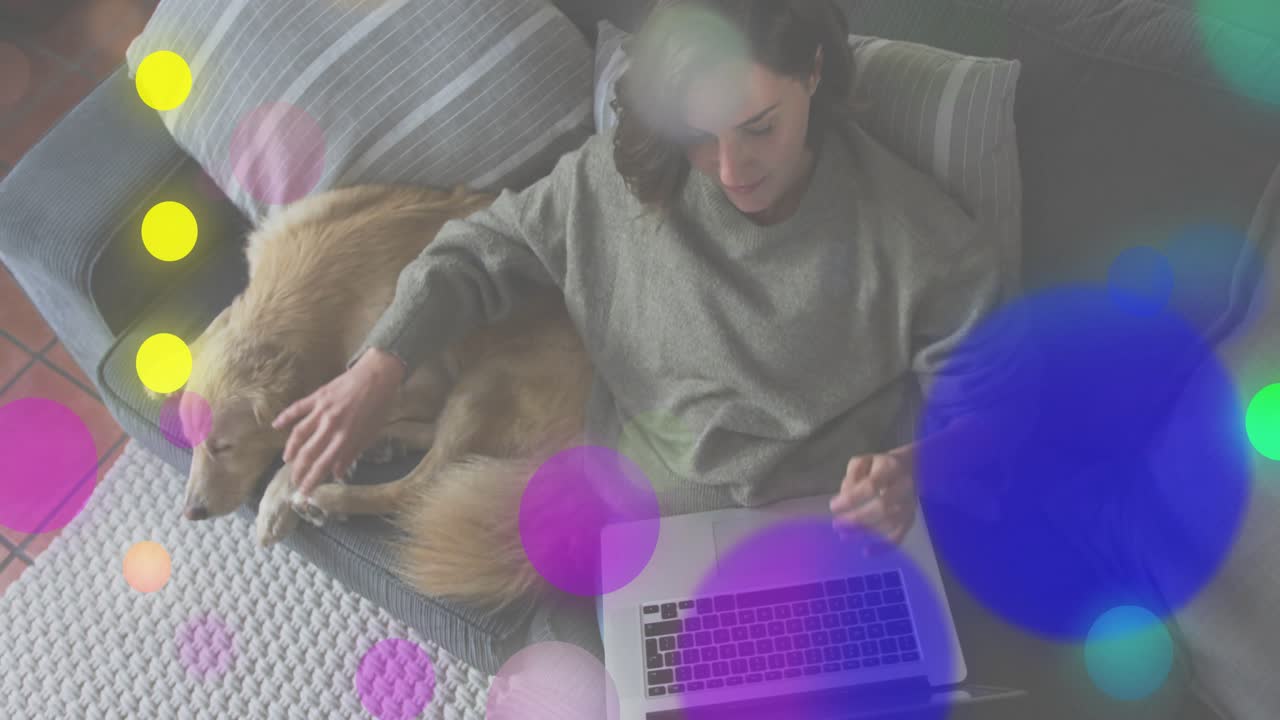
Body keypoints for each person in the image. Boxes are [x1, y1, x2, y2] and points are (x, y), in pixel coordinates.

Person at [272, 0, 1006, 555]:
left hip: (827, 534)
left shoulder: (921, 240)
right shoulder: (621, 177)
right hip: (639, 533)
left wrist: (918, 471)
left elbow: (1001, 410)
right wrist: (378, 367)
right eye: (699, 135)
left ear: (813, 72)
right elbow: (475, 250)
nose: (729, 170)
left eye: (759, 127)